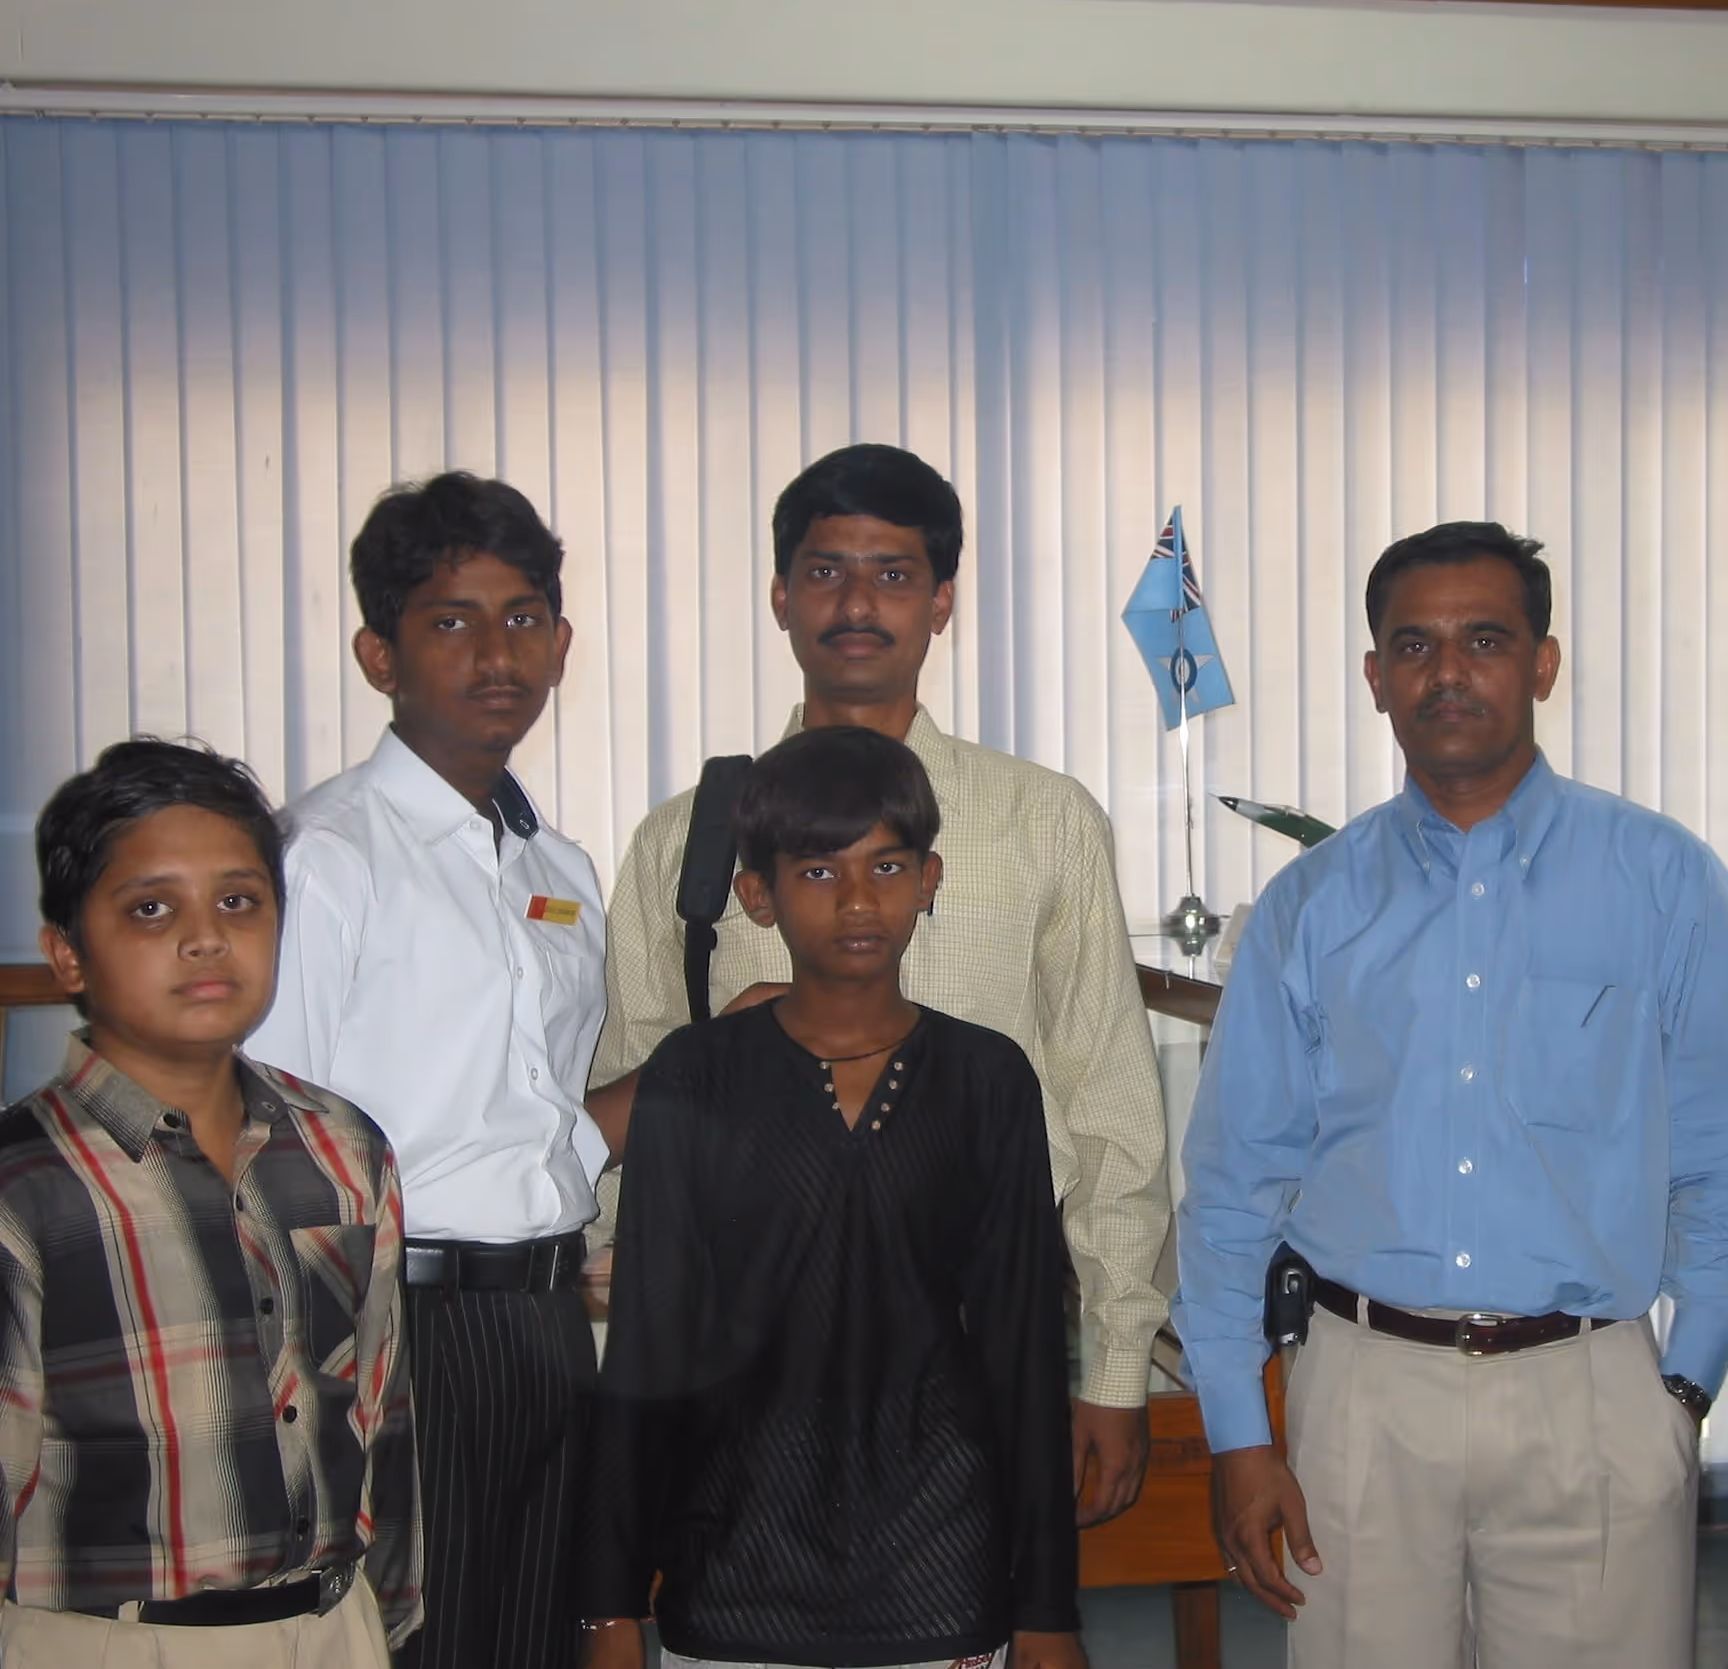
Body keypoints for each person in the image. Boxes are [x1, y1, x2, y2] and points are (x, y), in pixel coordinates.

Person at [1175, 521, 1728, 1669]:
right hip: (1362, 1395)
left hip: (1591, 1390)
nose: (1446, 672)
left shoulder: (1659, 879)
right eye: (1413, 646)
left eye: (1485, 640)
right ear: (1374, 678)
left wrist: (1684, 1383)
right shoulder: (1313, 905)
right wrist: (1237, 1436)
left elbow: (1726, 1154)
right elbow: (1232, 1183)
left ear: (1542, 663)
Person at [591, 443, 1167, 1523]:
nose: (856, 603)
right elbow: (638, 1083)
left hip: (982, 1328)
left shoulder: (1042, 822)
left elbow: (1110, 1111)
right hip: (738, 1348)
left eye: (893, 574)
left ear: (941, 602)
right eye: (825, 571)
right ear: (780, 595)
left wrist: (1116, 1365)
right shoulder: (689, 841)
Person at [578, 726, 1083, 1669]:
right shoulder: (695, 1075)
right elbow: (646, 1346)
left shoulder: (987, 1078)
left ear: (931, 880)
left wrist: (1048, 1608)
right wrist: (607, 1607)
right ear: (756, 896)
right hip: (734, 1569)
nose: (859, 900)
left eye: (887, 865)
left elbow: (1022, 1349)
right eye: (817, 872)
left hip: (944, 1564)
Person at [245, 474, 612, 1669]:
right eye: (451, 620)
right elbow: (264, 1139)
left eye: (524, 617)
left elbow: (535, 1119)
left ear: (561, 642)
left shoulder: (558, 868)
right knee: (420, 1641)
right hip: (398, 1326)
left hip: (548, 1319)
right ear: (377, 653)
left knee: (535, 1639)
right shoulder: (325, 857)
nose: (497, 652)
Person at [0, 740, 419, 1666]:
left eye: (239, 902)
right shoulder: (26, 1188)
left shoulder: (343, 1148)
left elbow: (381, 1414)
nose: (205, 937)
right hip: (104, 1640)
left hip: (331, 1628)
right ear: (68, 955)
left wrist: (382, 1623)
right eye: (151, 908)